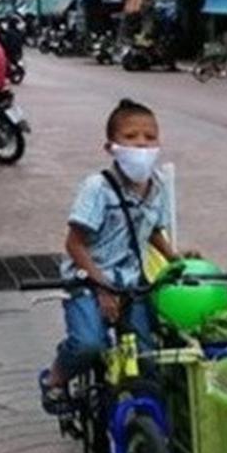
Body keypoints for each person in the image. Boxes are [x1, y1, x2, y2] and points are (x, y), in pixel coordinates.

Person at [40, 100, 186, 408]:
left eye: (150, 137)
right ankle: (53, 378)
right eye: (131, 137)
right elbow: (74, 244)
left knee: (145, 354)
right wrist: (101, 284)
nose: (142, 144)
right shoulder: (97, 188)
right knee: (88, 344)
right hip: (87, 279)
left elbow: (153, 229)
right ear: (112, 147)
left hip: (131, 282)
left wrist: (177, 260)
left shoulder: (156, 186)